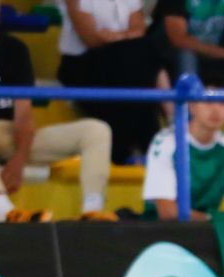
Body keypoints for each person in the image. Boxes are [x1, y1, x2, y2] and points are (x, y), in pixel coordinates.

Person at [0, 0, 113, 222]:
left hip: (10, 134)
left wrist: (19, 159)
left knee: (96, 130)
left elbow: (24, 115)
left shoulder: (16, 49)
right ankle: (5, 211)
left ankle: (92, 211)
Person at [56, 0, 168, 163]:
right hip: (83, 63)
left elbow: (139, 29)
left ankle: (124, 150)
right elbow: (91, 37)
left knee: (138, 56)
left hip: (125, 65)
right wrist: (126, 37)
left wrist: (117, 38)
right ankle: (151, 141)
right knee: (140, 56)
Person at [142, 88, 224, 218]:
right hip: (162, 231)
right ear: (192, 106)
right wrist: (213, 220)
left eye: (223, 103)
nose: (216, 110)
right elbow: (167, 211)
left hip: (208, 231)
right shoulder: (166, 141)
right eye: (208, 102)